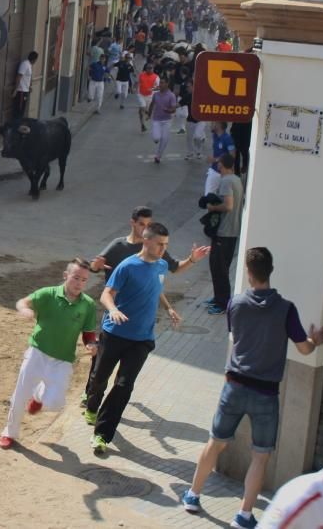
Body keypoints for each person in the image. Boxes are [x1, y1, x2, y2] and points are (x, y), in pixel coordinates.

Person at [182, 247, 323, 529]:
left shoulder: (235, 303)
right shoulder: (286, 309)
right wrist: (314, 340)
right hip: (266, 394)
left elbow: (236, 335)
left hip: (234, 386)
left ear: (249, 274)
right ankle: (244, 515)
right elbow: (303, 350)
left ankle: (192, 496)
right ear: (270, 272)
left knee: (215, 443)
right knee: (260, 456)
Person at [83, 207, 208, 407]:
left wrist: (192, 260)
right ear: (133, 222)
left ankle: (100, 402)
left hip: (139, 329)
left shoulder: (157, 250)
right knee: (100, 368)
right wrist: (96, 266)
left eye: (148, 224)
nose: (145, 228)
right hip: (115, 318)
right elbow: (95, 267)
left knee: (123, 380)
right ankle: (91, 394)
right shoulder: (119, 246)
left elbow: (171, 271)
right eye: (142, 224)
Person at [86, 222, 176, 454]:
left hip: (142, 338)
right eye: (159, 244)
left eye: (166, 245)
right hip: (115, 334)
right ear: (146, 241)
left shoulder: (162, 265)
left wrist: (168, 308)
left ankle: (102, 435)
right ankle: (92, 401)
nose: (163, 249)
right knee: (100, 378)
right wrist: (113, 310)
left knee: (124, 386)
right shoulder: (127, 266)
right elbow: (106, 294)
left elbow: (156, 288)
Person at [0, 259, 98, 449]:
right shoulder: (48, 294)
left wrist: (91, 344)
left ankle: (38, 397)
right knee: (19, 396)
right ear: (66, 276)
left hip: (63, 360)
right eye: (76, 277)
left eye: (84, 280)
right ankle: (9, 433)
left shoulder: (88, 305)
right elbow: (22, 302)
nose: (79, 283)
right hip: (37, 353)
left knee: (55, 404)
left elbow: (88, 333)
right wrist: (25, 309)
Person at [205, 154, 244, 314]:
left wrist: (213, 208)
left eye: (219, 165)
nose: (218, 168)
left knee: (219, 267)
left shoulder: (227, 181)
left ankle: (223, 303)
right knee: (218, 266)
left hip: (224, 231)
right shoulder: (236, 179)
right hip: (231, 231)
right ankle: (218, 297)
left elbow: (228, 206)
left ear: (224, 165)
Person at [149, 76, 177, 164]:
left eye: (162, 83)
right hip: (156, 119)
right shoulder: (156, 94)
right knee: (156, 138)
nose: (160, 84)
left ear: (167, 84)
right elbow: (152, 104)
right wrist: (149, 114)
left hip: (167, 121)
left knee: (164, 139)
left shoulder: (171, 95)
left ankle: (158, 156)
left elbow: (173, 109)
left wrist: (168, 110)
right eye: (160, 82)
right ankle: (156, 138)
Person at [206, 121, 237, 196]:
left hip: (224, 173)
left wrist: (215, 160)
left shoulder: (227, 139)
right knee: (209, 196)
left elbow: (232, 155)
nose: (210, 124)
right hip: (215, 170)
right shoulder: (215, 136)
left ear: (218, 124)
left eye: (213, 122)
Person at [12, 51, 37, 120]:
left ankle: (18, 124)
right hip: (21, 91)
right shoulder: (25, 64)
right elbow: (19, 76)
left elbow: (26, 78)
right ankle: (16, 126)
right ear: (34, 59)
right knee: (19, 111)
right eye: (36, 60)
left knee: (22, 110)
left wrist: (29, 87)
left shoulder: (29, 65)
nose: (35, 61)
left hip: (25, 91)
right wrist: (15, 90)